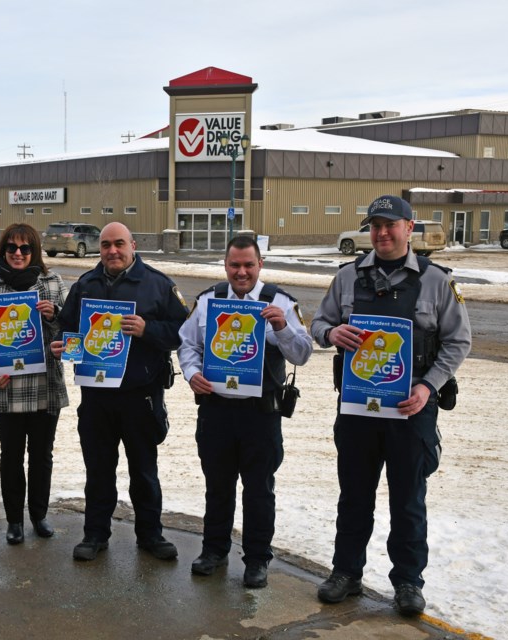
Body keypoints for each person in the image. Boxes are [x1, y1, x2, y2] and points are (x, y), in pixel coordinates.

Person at [310, 195, 471, 616]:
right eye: (375, 226)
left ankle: (408, 583)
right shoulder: (347, 277)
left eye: (390, 225)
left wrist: (429, 387)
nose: (382, 233)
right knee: (354, 497)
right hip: (358, 411)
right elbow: (318, 323)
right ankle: (346, 572)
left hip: (410, 411)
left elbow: (458, 341)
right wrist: (331, 335)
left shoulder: (437, 281)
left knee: (408, 500)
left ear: (409, 227)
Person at [177, 235, 313, 588]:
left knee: (259, 489)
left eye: (248, 265)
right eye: (234, 265)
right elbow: (187, 345)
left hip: (260, 414)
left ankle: (256, 560)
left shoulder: (280, 301)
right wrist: (192, 375)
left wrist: (281, 326)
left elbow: (302, 354)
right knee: (217, 486)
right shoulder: (208, 301)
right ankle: (214, 550)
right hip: (216, 411)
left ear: (260, 265)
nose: (241, 272)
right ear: (225, 265)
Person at [51, 222, 189, 561]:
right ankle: (95, 534)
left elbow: (183, 333)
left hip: (140, 394)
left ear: (133, 245)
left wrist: (147, 329)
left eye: (119, 244)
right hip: (97, 397)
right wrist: (65, 347)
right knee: (98, 470)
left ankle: (150, 536)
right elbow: (68, 328)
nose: (112, 251)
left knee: (144, 470)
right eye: (106, 245)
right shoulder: (85, 284)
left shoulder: (157, 285)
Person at [0, 223, 68, 545]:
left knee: (42, 456)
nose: (17, 253)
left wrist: (54, 315)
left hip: (45, 387)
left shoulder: (53, 285)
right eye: (11, 247)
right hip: (7, 390)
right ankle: (14, 520)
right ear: (2, 251)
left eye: (25, 248)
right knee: (10, 456)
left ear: (34, 251)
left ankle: (39, 515)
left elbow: (73, 334)